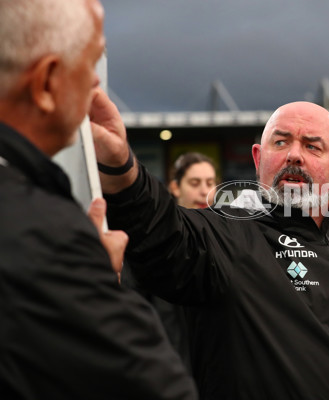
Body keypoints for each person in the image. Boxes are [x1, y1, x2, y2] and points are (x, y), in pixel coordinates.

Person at [90, 95, 329, 399]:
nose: (294, 156)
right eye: (281, 143)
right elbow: (161, 230)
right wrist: (121, 170)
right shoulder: (224, 234)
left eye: (312, 146)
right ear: (259, 158)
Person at [0, 0, 197, 398]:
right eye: (89, 64)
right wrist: (96, 279)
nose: (96, 84)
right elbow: (156, 386)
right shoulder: (44, 234)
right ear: (45, 84)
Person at [123, 151, 219, 372]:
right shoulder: (153, 238)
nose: (204, 190)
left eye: (210, 182)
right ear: (175, 187)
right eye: (195, 183)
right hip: (167, 367)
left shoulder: (226, 238)